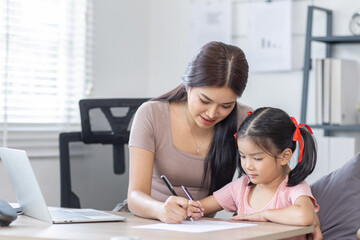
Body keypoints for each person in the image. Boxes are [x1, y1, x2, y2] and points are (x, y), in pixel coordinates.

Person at [127, 41, 252, 223]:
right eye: (204, 100)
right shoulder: (151, 114)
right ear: (188, 86)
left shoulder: (245, 120)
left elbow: (273, 180)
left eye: (226, 106)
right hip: (149, 222)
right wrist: (161, 210)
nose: (212, 113)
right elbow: (135, 196)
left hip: (200, 229)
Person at [187, 107, 321, 240]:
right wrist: (189, 208)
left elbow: (305, 216)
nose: (247, 166)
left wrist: (264, 215)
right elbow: (200, 207)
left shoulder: (294, 188)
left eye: (257, 158)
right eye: (243, 156)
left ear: (284, 156)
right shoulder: (242, 186)